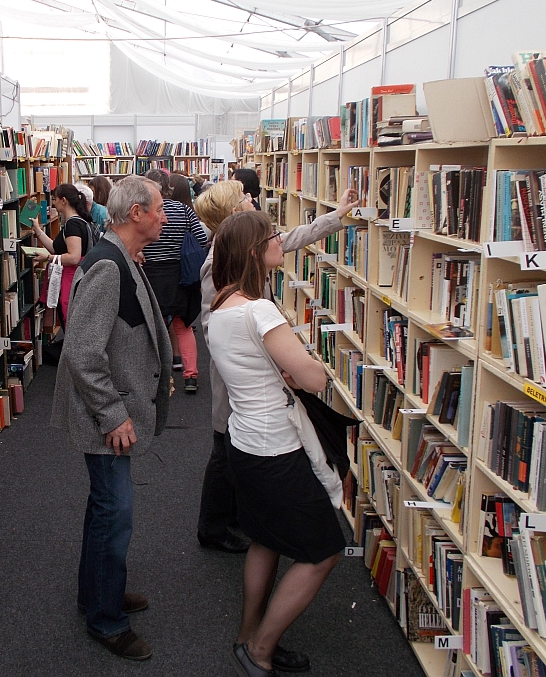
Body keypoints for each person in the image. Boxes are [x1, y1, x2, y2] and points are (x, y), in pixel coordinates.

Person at [209, 211, 345, 677]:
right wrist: (310, 367)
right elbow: (313, 379)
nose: (281, 240)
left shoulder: (222, 305)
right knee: (324, 549)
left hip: (244, 442)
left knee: (265, 540)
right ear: (254, 250)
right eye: (273, 236)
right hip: (274, 447)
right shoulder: (260, 310)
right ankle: (261, 649)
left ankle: (248, 636)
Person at [196, 184, 359, 554]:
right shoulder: (217, 265)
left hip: (258, 363)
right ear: (233, 217)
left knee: (232, 447)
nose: (252, 201)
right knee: (224, 448)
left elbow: (293, 238)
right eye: (244, 200)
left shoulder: (248, 252)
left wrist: (336, 216)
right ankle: (213, 526)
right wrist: (248, 363)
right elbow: (213, 326)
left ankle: (239, 518)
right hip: (239, 374)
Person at [51, 176, 172, 661]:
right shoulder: (107, 265)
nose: (167, 216)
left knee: (106, 508)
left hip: (112, 407)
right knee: (114, 512)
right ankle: (105, 620)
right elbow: (82, 352)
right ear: (137, 213)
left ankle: (98, 591)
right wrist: (112, 413)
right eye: (160, 209)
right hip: (104, 414)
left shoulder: (120, 257)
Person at [141, 169, 208, 394]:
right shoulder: (183, 210)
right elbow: (201, 239)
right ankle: (191, 377)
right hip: (180, 275)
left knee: (156, 329)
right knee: (183, 327)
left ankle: (163, 378)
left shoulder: (143, 211)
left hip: (151, 274)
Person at [31, 183, 95, 326]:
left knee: (70, 319)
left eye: (55, 199)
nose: (53, 203)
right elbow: (56, 248)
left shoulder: (73, 225)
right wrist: (38, 230)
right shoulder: (76, 222)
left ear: (64, 200)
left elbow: (73, 257)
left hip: (70, 279)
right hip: (73, 277)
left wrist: (47, 258)